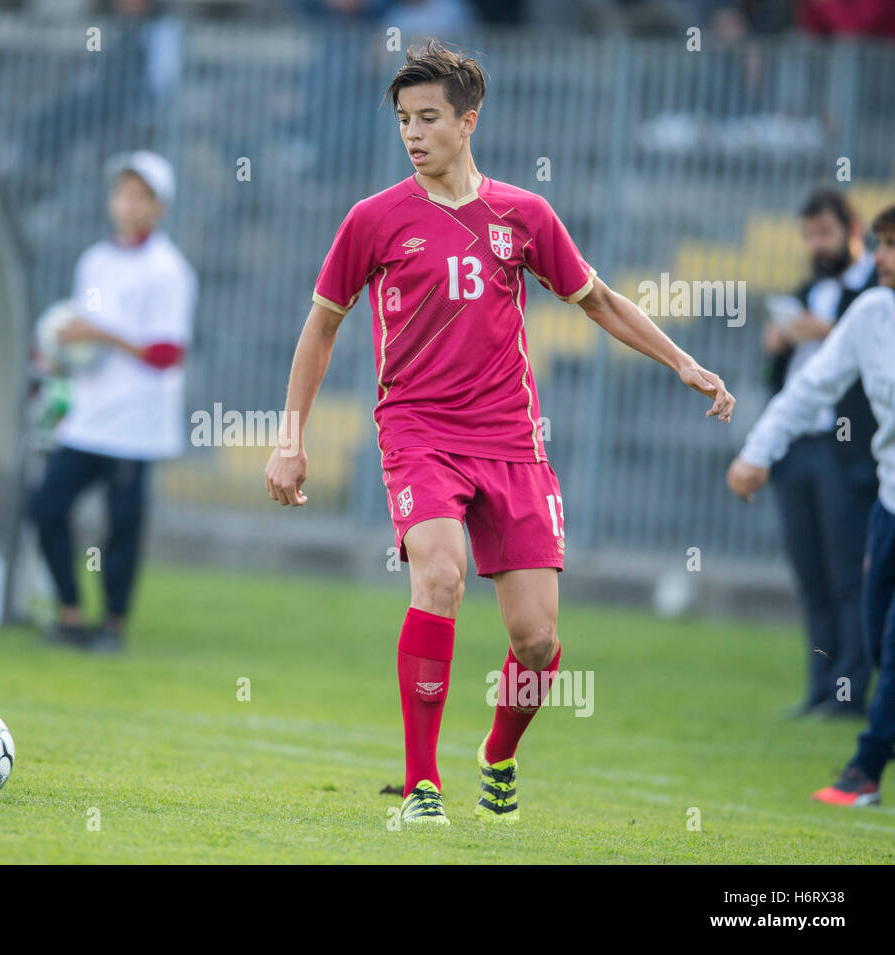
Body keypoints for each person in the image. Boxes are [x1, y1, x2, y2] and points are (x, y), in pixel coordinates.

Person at [264, 39, 735, 825]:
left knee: (539, 641)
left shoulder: (524, 215)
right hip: (417, 431)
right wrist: (290, 436)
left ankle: (498, 751)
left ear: (468, 121)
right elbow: (319, 331)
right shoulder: (372, 220)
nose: (412, 134)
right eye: (403, 121)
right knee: (439, 576)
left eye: (428, 118)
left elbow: (600, 300)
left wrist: (682, 362)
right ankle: (421, 787)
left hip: (513, 443)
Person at [728, 205, 895, 807]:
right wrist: (758, 449)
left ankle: (864, 754)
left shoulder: (864, 299)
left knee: (880, 622)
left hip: (853, 470)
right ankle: (833, 692)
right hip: (849, 482)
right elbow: (803, 383)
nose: (881, 258)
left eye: (892, 247)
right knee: (853, 613)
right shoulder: (854, 305)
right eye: (881, 245)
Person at [27, 150, 196, 653]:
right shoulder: (95, 261)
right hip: (87, 417)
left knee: (122, 526)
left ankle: (113, 626)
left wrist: (101, 333)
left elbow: (167, 352)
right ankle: (71, 614)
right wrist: (60, 355)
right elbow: (78, 335)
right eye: (122, 191)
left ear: (158, 206)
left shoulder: (169, 270)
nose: (128, 203)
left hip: (136, 424)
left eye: (141, 195)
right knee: (45, 508)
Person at [762, 189, 879, 719]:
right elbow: (788, 378)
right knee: (810, 575)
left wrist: (824, 332)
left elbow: (873, 354)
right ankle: (821, 685)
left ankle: (850, 692)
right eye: (810, 235)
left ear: (854, 230)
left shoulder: (879, 291)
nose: (817, 244)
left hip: (845, 451)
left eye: (826, 234)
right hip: (798, 451)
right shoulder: (807, 290)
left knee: (847, 575)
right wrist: (780, 345)